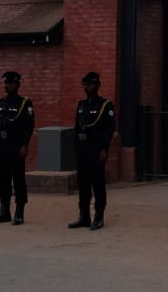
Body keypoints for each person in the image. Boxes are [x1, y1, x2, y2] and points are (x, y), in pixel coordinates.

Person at [68, 71, 115, 231]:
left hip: (96, 150)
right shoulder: (82, 105)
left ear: (97, 85)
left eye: (90, 84)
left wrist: (104, 149)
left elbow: (109, 130)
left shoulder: (105, 105)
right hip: (82, 150)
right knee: (83, 183)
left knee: (97, 183)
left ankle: (99, 215)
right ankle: (84, 215)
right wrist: (76, 149)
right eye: (85, 85)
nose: (87, 87)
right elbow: (76, 128)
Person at [0, 70, 34, 226]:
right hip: (3, 146)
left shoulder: (24, 103)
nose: (6, 86)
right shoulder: (1, 102)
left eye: (9, 83)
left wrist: (25, 144)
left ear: (17, 84)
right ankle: (4, 211)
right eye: (5, 83)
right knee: (4, 179)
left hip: (16, 146)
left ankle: (19, 211)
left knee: (18, 178)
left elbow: (29, 126)